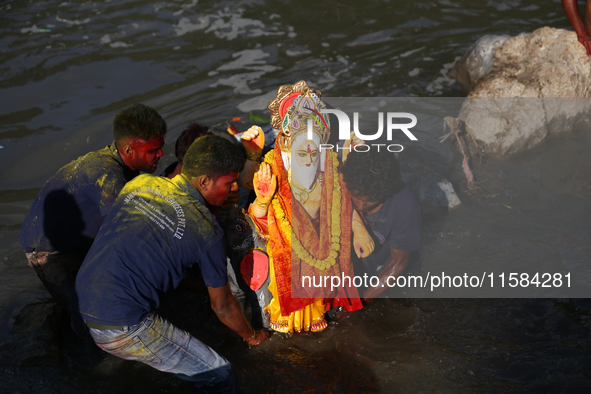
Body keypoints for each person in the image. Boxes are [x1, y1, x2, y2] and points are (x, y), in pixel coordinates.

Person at [72, 135, 270, 394]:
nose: (234, 189)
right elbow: (222, 307)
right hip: (120, 325)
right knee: (221, 374)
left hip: (79, 302)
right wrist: (253, 337)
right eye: (230, 183)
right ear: (204, 181)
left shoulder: (140, 183)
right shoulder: (205, 230)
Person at [247, 80, 374, 334]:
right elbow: (257, 215)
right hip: (286, 245)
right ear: (286, 141)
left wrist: (359, 230)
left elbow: (340, 198)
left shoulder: (327, 161)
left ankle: (321, 311)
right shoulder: (273, 165)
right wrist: (261, 197)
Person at [18, 103, 167, 312]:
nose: (160, 154)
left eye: (161, 147)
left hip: (78, 235)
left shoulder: (126, 166)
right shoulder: (106, 174)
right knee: (85, 316)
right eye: (153, 150)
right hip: (49, 250)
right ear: (128, 150)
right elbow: (129, 229)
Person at [340, 149, 421, 302]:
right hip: (356, 269)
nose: (362, 206)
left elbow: (397, 264)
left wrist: (359, 303)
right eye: (356, 197)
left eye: (372, 201)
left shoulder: (405, 206)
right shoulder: (341, 184)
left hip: (389, 277)